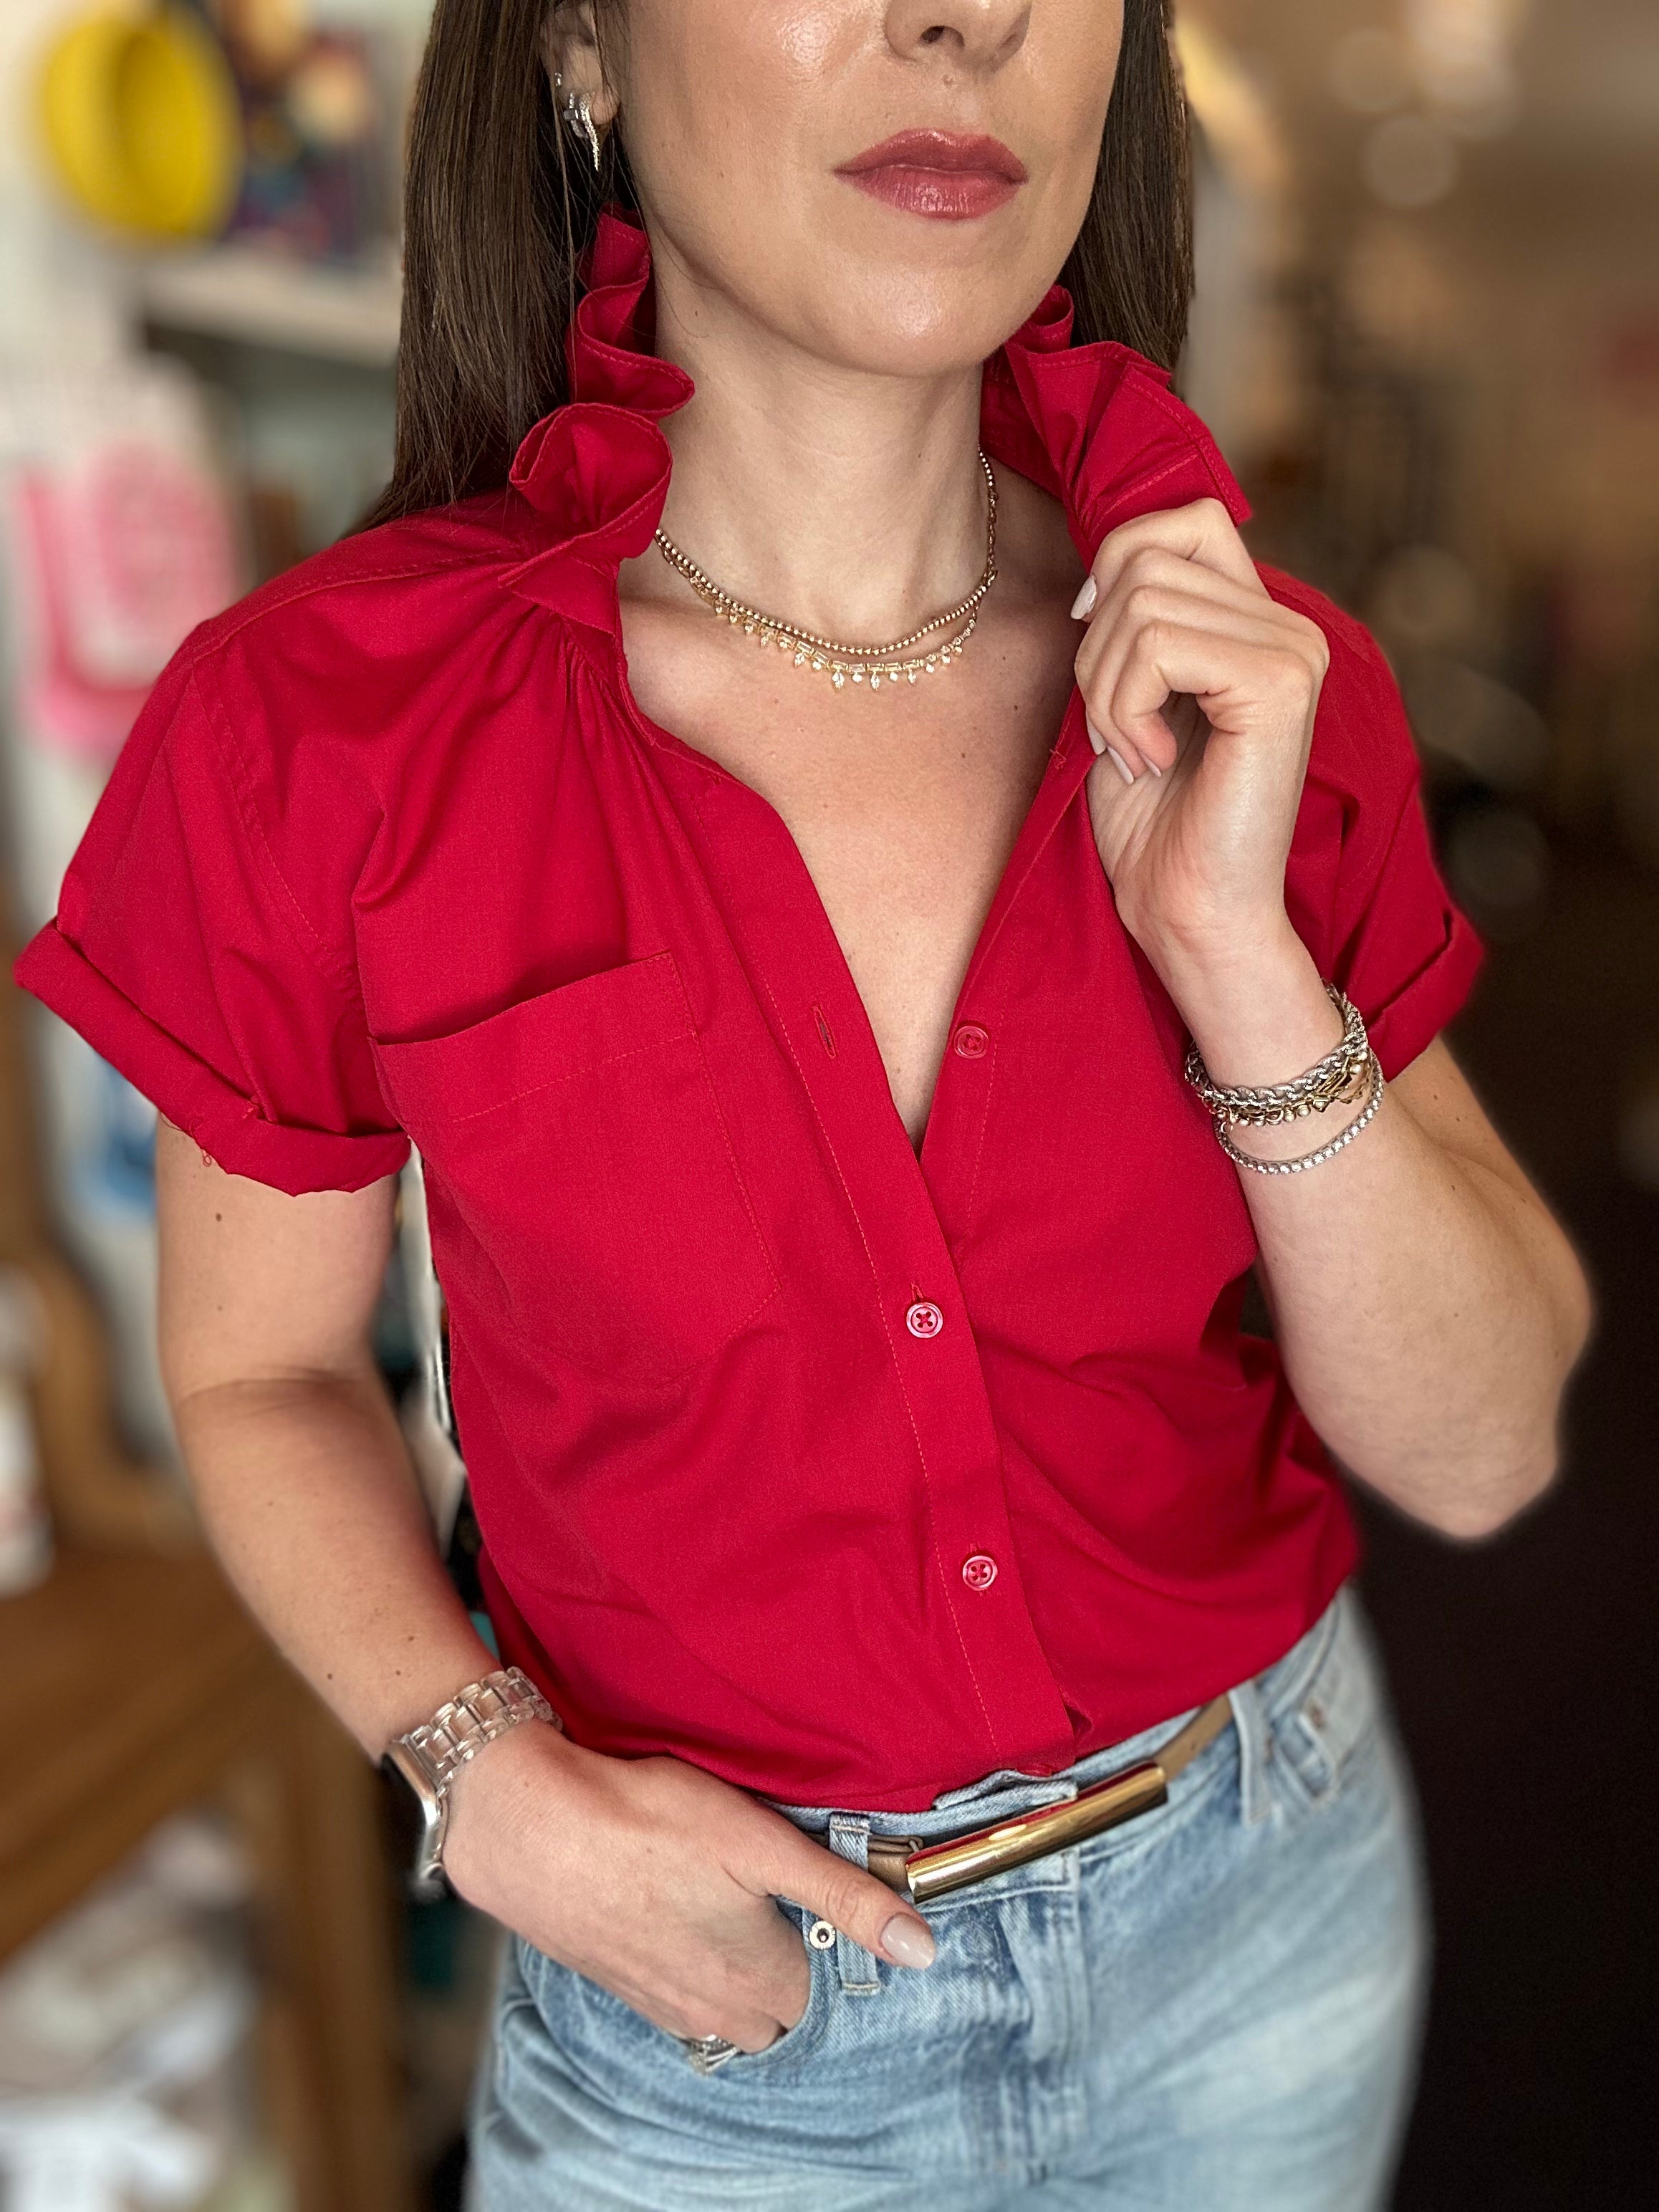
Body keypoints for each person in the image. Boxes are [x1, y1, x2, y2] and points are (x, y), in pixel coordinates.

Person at [15, 4, 1593, 2206]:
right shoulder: (322, 727)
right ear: (582, 43)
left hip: (1262, 1898)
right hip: (714, 2035)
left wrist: (1239, 963)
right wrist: (478, 1772)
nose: (963, 18)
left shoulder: (1256, 686)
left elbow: (1481, 1444)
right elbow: (260, 1367)